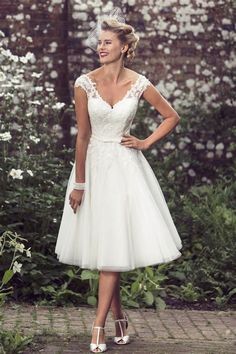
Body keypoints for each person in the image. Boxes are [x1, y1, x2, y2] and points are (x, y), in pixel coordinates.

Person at [55, 9, 182, 353]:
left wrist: (144, 142)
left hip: (126, 171)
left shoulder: (139, 83)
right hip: (95, 169)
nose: (101, 47)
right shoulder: (84, 83)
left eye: (108, 42)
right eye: (99, 42)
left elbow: (171, 116)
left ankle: (98, 326)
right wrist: (79, 184)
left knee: (112, 249)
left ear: (125, 47)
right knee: (107, 250)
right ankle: (120, 318)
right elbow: (82, 137)